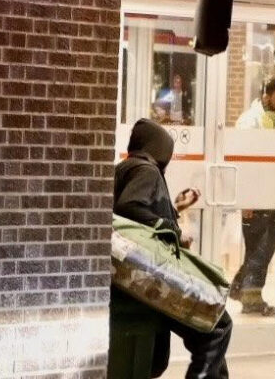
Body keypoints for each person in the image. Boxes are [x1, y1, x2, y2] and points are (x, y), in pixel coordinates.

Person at [111, 118, 232, 379]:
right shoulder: (146, 170)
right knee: (217, 324)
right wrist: (172, 229)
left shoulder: (125, 168)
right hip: (155, 279)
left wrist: (176, 207)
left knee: (210, 329)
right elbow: (129, 207)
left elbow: (139, 215)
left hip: (138, 281)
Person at [230, 78, 275, 316]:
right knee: (259, 246)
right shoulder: (249, 122)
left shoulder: (274, 121)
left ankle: (239, 286)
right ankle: (251, 298)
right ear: (267, 97)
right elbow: (244, 162)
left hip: (269, 194)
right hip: (255, 197)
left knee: (268, 242)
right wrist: (246, 199)